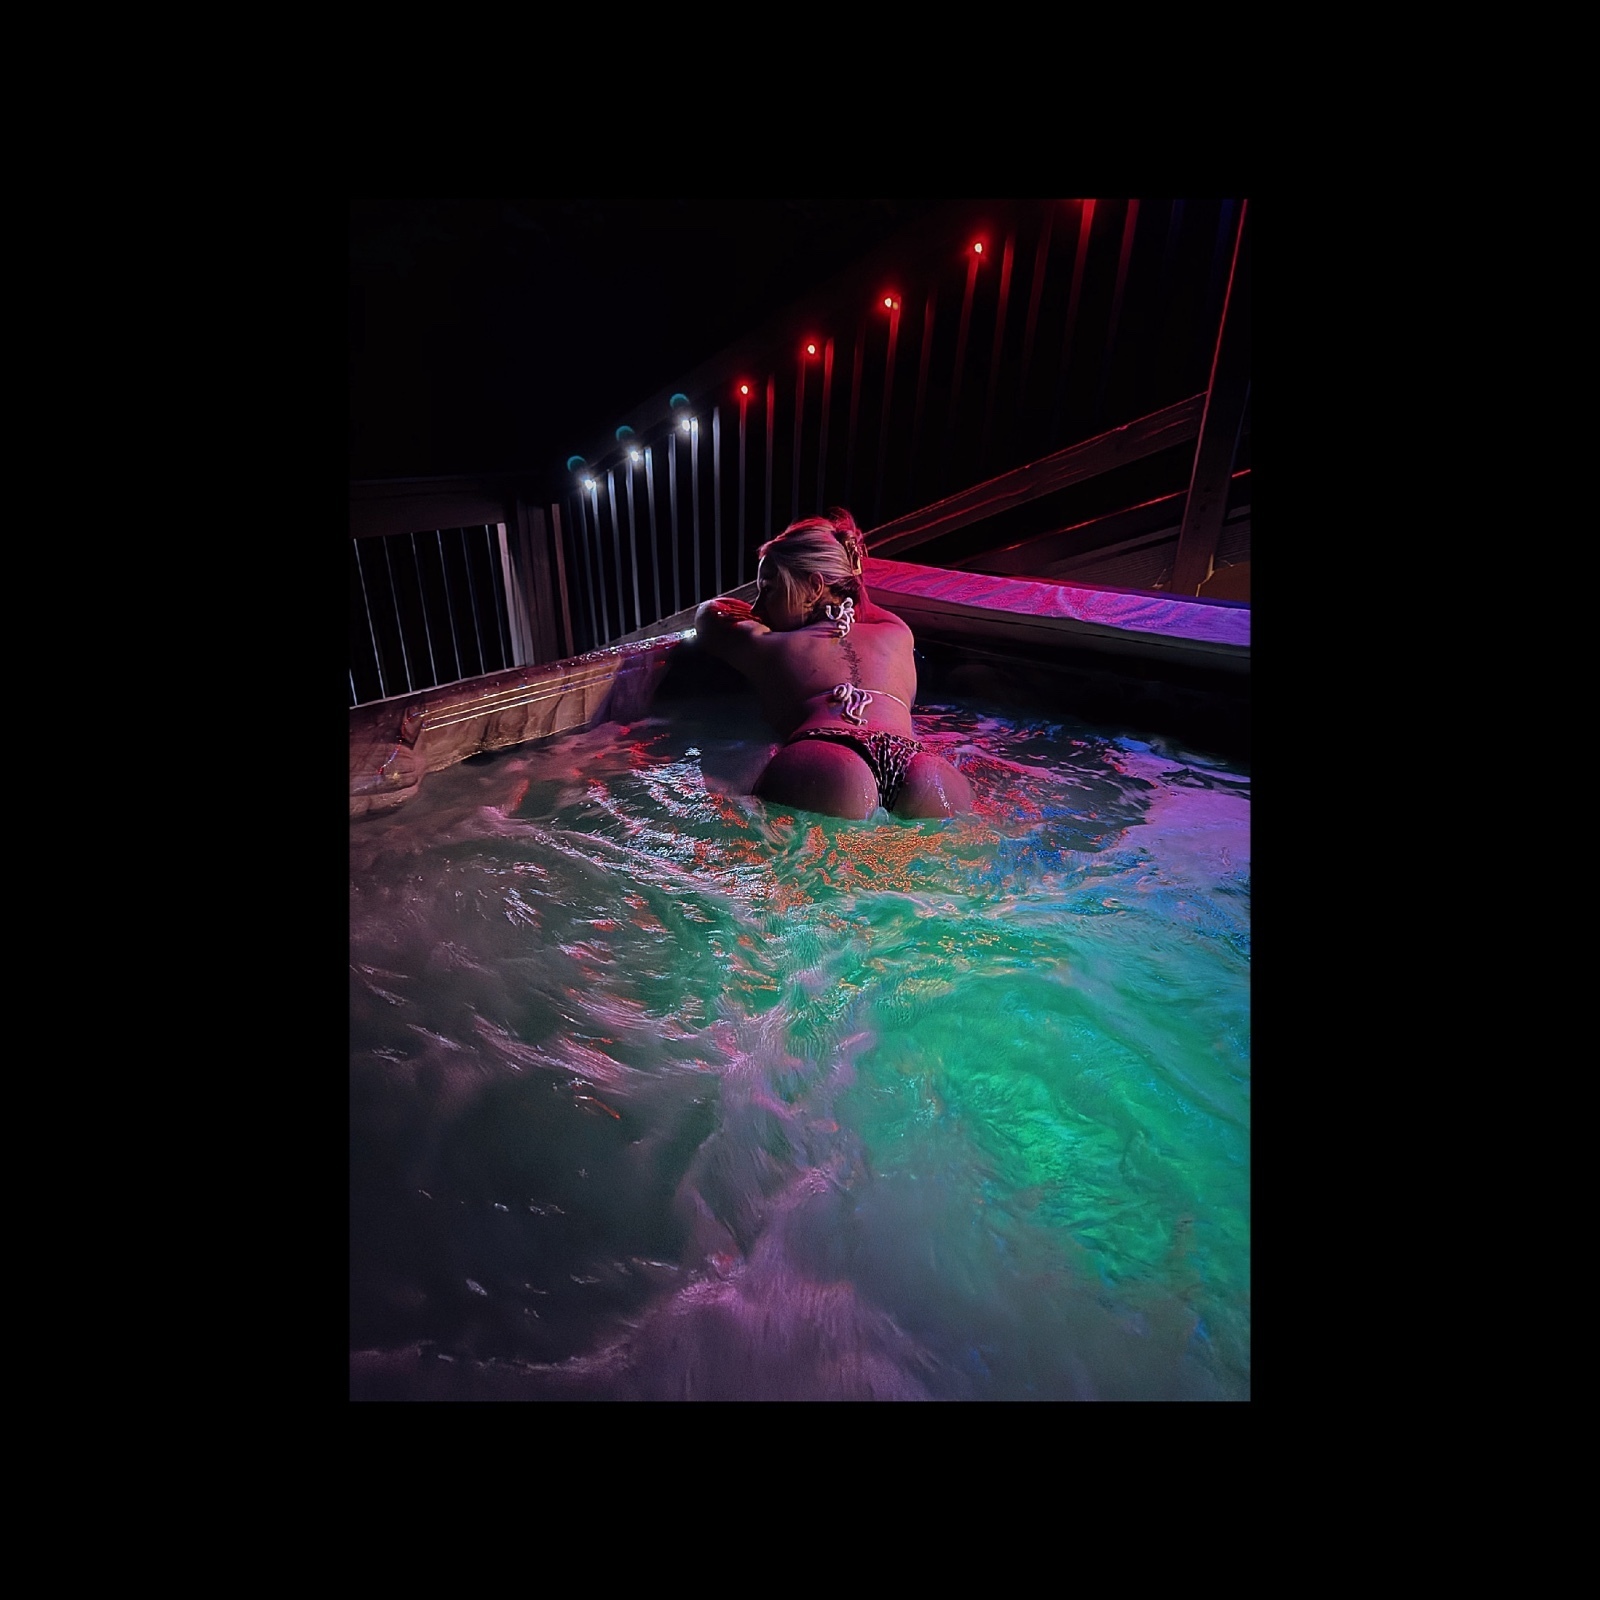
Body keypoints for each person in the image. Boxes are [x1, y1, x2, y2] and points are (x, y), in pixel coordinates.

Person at [693, 508, 974, 821]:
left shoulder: (768, 644)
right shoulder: (897, 632)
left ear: (815, 586)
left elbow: (710, 613)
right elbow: (864, 605)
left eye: (768, 589)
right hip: (919, 767)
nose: (758, 607)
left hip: (826, 757)